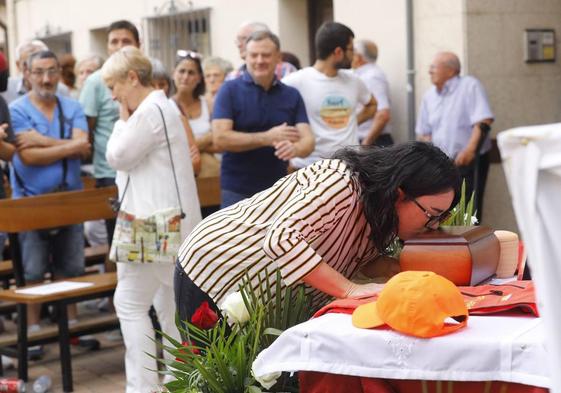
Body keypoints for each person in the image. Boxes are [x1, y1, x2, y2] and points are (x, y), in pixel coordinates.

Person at [175, 141, 461, 324]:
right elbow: (282, 239)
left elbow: (358, 257)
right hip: (216, 270)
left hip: (260, 301)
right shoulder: (340, 182)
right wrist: (350, 290)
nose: (432, 226)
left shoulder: (383, 213)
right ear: (400, 193)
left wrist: (414, 273)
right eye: (431, 215)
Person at [102, 46, 202, 393]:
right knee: (168, 305)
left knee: (129, 304)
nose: (113, 94)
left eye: (114, 85)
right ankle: (179, 381)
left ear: (132, 78)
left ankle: (142, 387)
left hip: (151, 224)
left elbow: (118, 155)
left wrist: (120, 121)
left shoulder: (146, 111)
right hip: (168, 222)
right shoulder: (163, 105)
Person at [9, 50, 93, 358]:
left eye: (52, 71)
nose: (46, 78)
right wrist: (68, 145)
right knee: (32, 271)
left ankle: (70, 330)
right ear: (27, 74)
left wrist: (42, 141)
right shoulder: (17, 109)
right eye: (39, 71)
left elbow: (84, 147)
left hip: (69, 199)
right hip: (30, 203)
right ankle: (34, 334)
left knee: (70, 268)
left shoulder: (72, 105)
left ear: (59, 73)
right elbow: (26, 156)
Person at [212, 30, 315, 208]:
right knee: (237, 238)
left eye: (266, 55)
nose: (259, 61)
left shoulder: (291, 95)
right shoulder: (229, 90)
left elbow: (309, 141)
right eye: (254, 55)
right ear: (245, 56)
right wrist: (268, 137)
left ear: (278, 58)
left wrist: (295, 148)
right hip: (237, 191)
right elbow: (220, 139)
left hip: (279, 191)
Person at [282, 22, 377, 169]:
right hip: (308, 168)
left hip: (350, 167)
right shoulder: (295, 81)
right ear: (338, 52)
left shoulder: (354, 80)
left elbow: (372, 104)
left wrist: (352, 121)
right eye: (351, 49)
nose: (354, 55)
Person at [80, 20, 140, 245]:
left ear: (138, 44)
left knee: (145, 244)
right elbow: (88, 127)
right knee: (119, 243)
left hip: (143, 169)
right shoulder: (95, 82)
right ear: (107, 47)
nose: (120, 46)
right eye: (114, 41)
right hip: (110, 172)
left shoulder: (144, 77)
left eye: (126, 41)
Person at [415, 51, 493, 218]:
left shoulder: (469, 85)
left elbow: (484, 120)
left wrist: (470, 151)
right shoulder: (429, 96)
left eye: (433, 67)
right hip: (441, 165)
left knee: (468, 211)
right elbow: (423, 133)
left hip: (468, 162)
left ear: (450, 70)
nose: (429, 71)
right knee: (442, 212)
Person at [169, 51, 212, 177]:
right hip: (179, 175)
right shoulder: (165, 107)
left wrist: (190, 147)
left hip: (209, 174)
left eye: (191, 72)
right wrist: (207, 139)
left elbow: (220, 143)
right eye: (181, 71)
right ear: (173, 74)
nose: (186, 76)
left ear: (199, 78)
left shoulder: (209, 104)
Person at [1, 39, 70, 104]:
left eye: (39, 67)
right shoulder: (5, 89)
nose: (30, 70)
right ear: (18, 65)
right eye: (26, 64)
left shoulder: (61, 90)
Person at [352, 39, 393, 147]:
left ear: (359, 57)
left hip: (372, 142)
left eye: (352, 52)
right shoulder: (365, 75)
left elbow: (383, 114)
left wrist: (365, 145)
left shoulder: (371, 77)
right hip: (370, 142)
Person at [227, 21, 298, 81]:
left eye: (244, 39)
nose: (239, 45)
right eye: (238, 40)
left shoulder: (286, 70)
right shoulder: (233, 76)